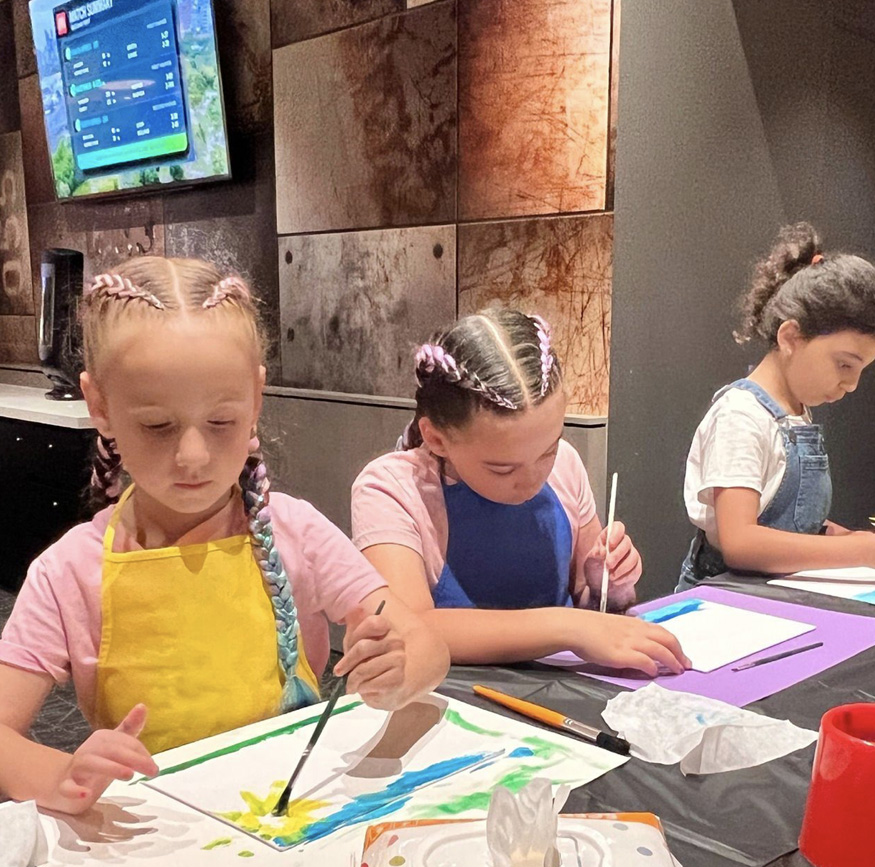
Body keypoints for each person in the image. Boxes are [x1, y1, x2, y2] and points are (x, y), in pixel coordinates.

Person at [0, 257, 448, 814]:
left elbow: (428, 643)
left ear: (256, 398)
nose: (193, 456)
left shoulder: (297, 532)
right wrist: (58, 774)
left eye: (221, 423)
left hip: (291, 821)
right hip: (154, 843)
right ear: (99, 406)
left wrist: (402, 667)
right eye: (158, 426)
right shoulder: (67, 572)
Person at [352, 308, 688, 674]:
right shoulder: (393, 489)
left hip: (565, 691)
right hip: (454, 705)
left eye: (549, 449)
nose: (533, 479)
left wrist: (610, 585)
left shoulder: (566, 466)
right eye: (502, 468)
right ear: (437, 439)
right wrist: (568, 627)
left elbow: (591, 604)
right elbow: (409, 628)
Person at [678, 222, 875, 589]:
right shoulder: (741, 416)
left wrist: (853, 539)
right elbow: (741, 543)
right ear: (791, 337)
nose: (851, 385)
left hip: (773, 596)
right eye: (845, 364)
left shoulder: (795, 414)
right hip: (724, 599)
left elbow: (790, 523)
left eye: (861, 370)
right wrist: (867, 554)